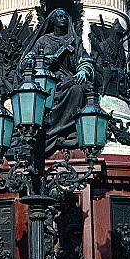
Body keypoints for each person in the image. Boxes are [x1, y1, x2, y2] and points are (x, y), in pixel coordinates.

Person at [21, 8, 95, 155]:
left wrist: (82, 71)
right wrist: (43, 60)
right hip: (45, 81)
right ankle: (48, 133)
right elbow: (26, 61)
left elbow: (85, 59)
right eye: (59, 16)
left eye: (65, 16)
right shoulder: (43, 40)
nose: (63, 19)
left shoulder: (73, 41)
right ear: (52, 20)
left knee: (78, 90)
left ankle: (63, 131)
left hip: (66, 81)